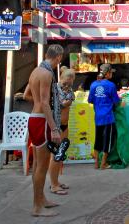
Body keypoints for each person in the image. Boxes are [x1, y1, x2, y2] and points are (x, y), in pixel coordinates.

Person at [26, 44, 63, 217]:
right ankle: (36, 207)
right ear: (58, 58)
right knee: (42, 166)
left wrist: (39, 104)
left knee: (37, 165)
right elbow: (45, 102)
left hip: (34, 118)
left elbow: (27, 95)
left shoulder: (35, 71)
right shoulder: (47, 74)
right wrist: (54, 128)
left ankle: (41, 200)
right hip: (42, 121)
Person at [88, 64, 121, 170]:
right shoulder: (111, 85)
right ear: (107, 74)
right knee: (108, 140)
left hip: (98, 117)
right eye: (111, 72)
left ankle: (96, 163)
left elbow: (90, 100)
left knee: (98, 140)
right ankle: (103, 163)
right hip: (108, 117)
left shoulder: (93, 84)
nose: (112, 74)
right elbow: (116, 101)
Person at [49, 67, 75, 195]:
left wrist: (67, 102)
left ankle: (56, 181)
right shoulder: (54, 88)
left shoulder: (69, 89)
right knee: (55, 155)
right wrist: (65, 103)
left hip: (65, 126)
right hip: (56, 126)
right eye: (67, 80)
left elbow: (68, 102)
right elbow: (58, 104)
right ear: (62, 78)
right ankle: (53, 185)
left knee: (60, 154)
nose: (69, 83)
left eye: (71, 81)